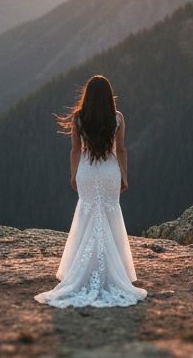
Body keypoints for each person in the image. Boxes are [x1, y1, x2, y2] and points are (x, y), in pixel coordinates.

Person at [34, 74, 147, 307]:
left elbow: (75, 150)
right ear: (108, 97)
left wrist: (74, 174)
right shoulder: (117, 118)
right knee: (109, 215)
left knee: (87, 217)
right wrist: (124, 174)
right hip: (109, 172)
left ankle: (83, 271)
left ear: (87, 96)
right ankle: (115, 273)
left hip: (87, 171)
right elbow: (122, 149)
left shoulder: (78, 118)